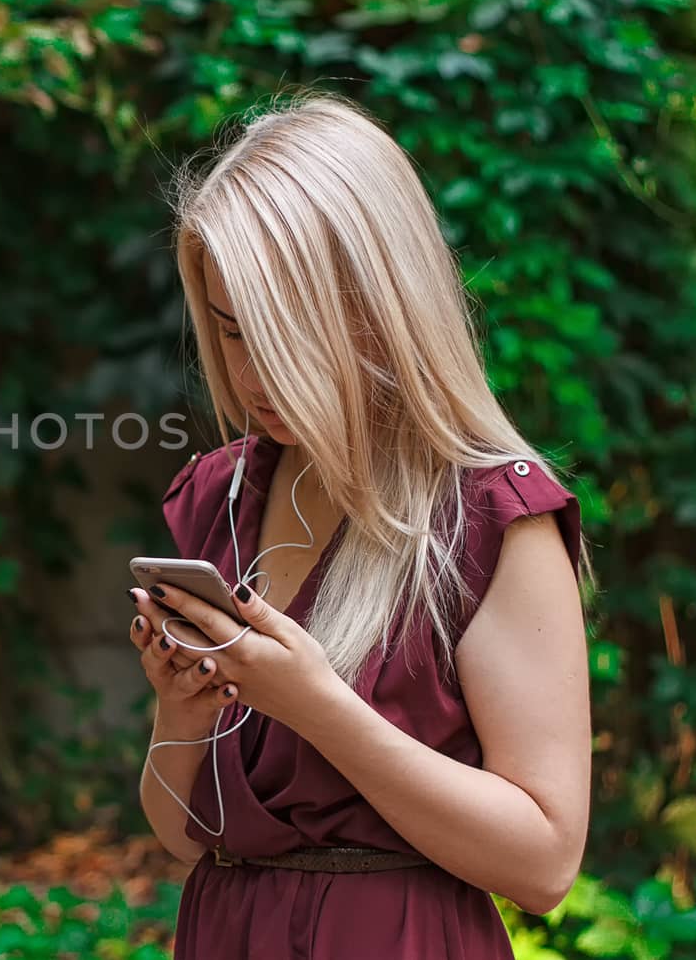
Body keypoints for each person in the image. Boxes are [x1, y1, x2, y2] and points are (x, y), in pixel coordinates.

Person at [127, 90, 594, 959]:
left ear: (384, 306)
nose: (254, 372)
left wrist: (313, 706)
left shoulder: (491, 517)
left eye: (286, 334)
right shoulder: (218, 496)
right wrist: (179, 709)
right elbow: (186, 835)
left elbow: (546, 861)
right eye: (231, 331)